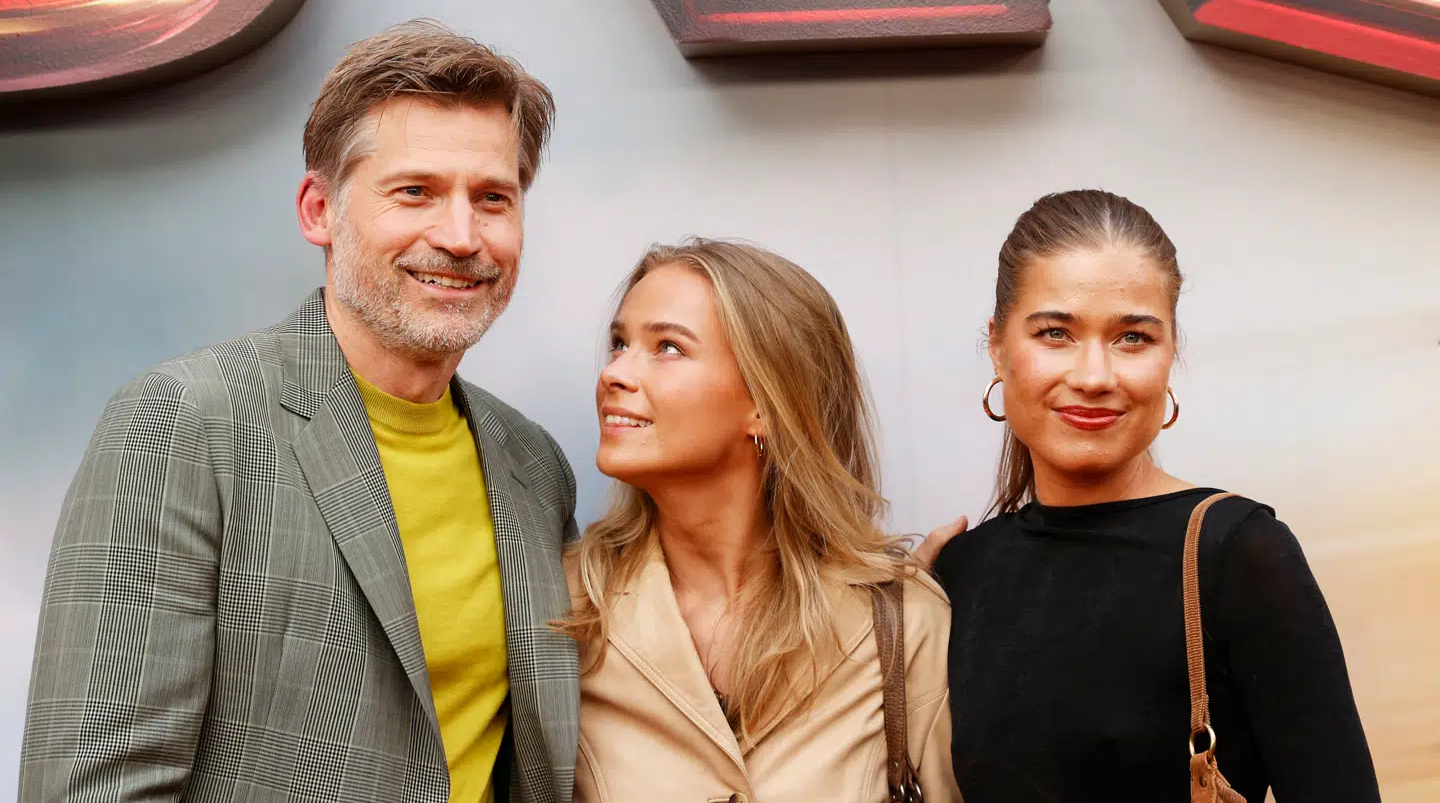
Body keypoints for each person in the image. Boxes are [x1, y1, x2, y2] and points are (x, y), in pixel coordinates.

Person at [20, 22, 578, 803]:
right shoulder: (184, 421)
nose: (460, 236)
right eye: (414, 191)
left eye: (493, 199)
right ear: (319, 210)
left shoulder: (533, 465)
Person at [932, 189, 1381, 802]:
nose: (1093, 377)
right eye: (1055, 333)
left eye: (1133, 338)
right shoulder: (960, 571)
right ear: (998, 345)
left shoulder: (1238, 553)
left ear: (1172, 352)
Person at [556, 239, 963, 803]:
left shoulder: (901, 618)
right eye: (619, 343)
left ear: (766, 405)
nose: (615, 373)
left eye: (668, 347)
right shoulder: (561, 610)